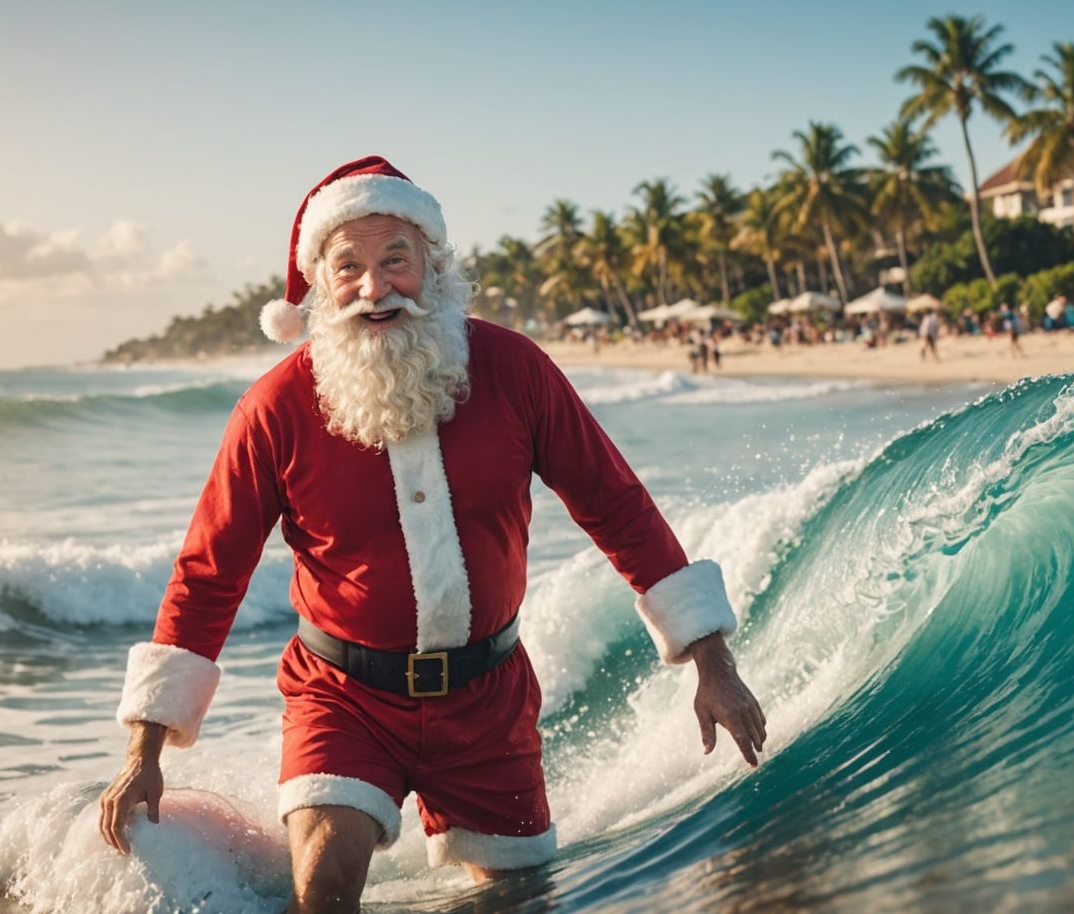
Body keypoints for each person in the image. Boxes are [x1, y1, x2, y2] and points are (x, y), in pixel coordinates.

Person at [97, 157, 765, 913]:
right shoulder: (274, 408)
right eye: (348, 267)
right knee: (324, 888)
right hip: (341, 698)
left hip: (489, 702)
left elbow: (616, 505)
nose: (374, 288)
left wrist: (712, 660)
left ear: (434, 268)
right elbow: (209, 573)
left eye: (395, 261)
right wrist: (145, 750)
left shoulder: (515, 371)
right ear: (320, 283)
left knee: (519, 902)